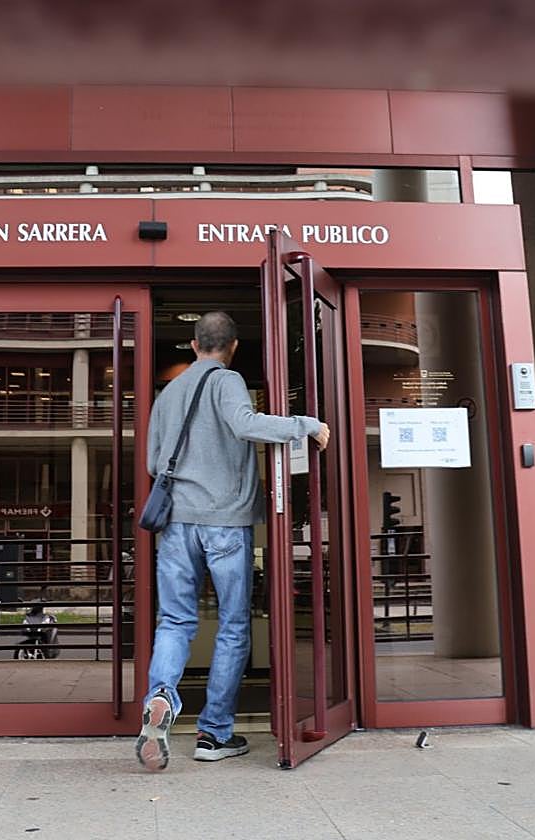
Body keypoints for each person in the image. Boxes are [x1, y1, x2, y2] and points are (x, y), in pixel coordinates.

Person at [135, 311, 330, 771]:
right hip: (224, 522)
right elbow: (245, 424)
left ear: (193, 343)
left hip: (176, 525)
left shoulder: (169, 393)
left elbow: (150, 463)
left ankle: (161, 696)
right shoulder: (228, 380)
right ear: (234, 346)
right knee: (234, 626)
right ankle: (213, 734)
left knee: (174, 622)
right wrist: (303, 423)